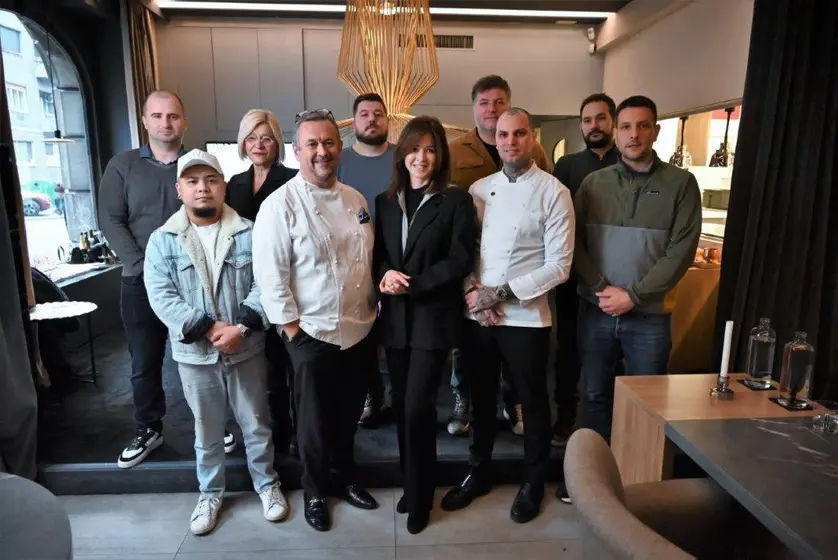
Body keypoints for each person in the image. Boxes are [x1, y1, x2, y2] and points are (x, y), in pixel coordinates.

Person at [144, 149, 288, 536]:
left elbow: (268, 283)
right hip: (195, 356)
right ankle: (210, 494)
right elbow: (161, 296)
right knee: (206, 432)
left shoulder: (251, 232)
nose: (202, 188)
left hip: (246, 348)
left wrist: (241, 327)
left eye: (210, 180)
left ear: (224, 186)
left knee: (256, 424)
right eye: (192, 181)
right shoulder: (162, 241)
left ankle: (267, 485)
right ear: (179, 189)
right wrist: (208, 328)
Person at [441, 108, 575, 524]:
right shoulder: (479, 189)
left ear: (531, 137)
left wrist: (498, 294)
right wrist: (473, 294)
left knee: (532, 403)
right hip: (480, 318)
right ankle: (478, 472)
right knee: (481, 399)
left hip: (527, 318)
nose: (510, 142)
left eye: (518, 134)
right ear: (494, 139)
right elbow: (466, 250)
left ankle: (533, 482)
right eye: (503, 135)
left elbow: (559, 266)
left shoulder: (554, 192)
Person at [253, 108, 379, 532]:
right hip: (311, 332)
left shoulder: (355, 200)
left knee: (348, 413)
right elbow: (271, 276)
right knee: (312, 423)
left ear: (339, 147)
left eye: (328, 143)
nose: (321, 152)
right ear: (297, 151)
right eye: (312, 144)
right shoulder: (279, 205)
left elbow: (365, 260)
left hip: (359, 327)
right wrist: (292, 331)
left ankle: (346, 479)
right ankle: (315, 491)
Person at [98, 91, 238, 468]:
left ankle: (213, 424)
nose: (165, 123)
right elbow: (111, 220)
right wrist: (143, 268)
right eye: (157, 116)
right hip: (139, 282)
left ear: (184, 121)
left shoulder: (197, 167)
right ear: (145, 121)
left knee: (204, 358)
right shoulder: (123, 166)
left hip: (195, 281)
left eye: (173, 116)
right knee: (144, 361)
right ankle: (149, 428)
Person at [574, 95, 701, 443]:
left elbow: (681, 252)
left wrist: (633, 295)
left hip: (650, 317)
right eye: (626, 127)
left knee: (647, 402)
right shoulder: (593, 184)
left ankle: (636, 471)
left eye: (643, 126)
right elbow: (574, 243)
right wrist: (601, 288)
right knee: (594, 394)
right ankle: (592, 466)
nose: (634, 135)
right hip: (597, 309)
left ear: (656, 131)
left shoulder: (681, 184)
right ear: (615, 132)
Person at [373, 115, 477, 534]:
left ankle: (421, 497)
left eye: (431, 150)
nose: (422, 158)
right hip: (396, 322)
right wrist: (385, 274)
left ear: (441, 156)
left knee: (418, 407)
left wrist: (413, 284)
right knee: (402, 408)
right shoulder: (385, 201)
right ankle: (411, 484)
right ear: (402, 154)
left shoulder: (455, 200)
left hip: (432, 320)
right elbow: (378, 254)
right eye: (415, 149)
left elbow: (460, 259)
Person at [446, 75, 553, 437]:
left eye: (499, 102)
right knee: (467, 355)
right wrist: (475, 291)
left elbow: (541, 211)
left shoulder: (537, 156)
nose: (492, 110)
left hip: (521, 282)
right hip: (474, 272)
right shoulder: (456, 151)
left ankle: (514, 402)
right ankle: (464, 402)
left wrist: (500, 293)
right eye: (484, 103)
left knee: (519, 365)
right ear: (474, 108)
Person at [225, 109, 298, 456]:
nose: (258, 145)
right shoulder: (233, 184)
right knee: (257, 371)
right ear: (243, 143)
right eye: (252, 138)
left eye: (266, 138)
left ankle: (291, 433)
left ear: (277, 143)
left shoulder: (293, 179)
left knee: (286, 366)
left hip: (285, 281)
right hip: (245, 284)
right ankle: (264, 435)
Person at [550, 93, 620, 448]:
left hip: (617, 279)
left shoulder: (628, 162)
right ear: (581, 125)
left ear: (612, 122)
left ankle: (615, 425)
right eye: (588, 120)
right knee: (568, 350)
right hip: (571, 276)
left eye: (601, 118)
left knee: (613, 353)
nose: (594, 126)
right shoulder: (567, 166)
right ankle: (566, 416)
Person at [337, 93, 396, 428]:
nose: (371, 119)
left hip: (395, 259)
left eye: (378, 113)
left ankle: (399, 396)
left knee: (396, 333)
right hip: (351, 261)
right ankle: (372, 395)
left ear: (387, 119)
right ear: (354, 121)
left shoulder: (402, 157)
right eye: (364, 114)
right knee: (362, 335)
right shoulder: (340, 160)